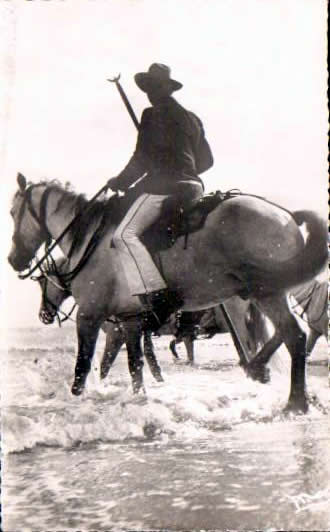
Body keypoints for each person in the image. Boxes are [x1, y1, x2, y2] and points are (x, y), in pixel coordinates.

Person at [107, 63, 213, 326]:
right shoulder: (192, 118)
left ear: (161, 89)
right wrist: (184, 169)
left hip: (165, 189)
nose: (149, 94)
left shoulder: (151, 114)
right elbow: (207, 161)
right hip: (194, 187)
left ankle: (159, 295)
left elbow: (141, 159)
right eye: (147, 89)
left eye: (151, 88)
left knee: (123, 235)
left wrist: (120, 181)